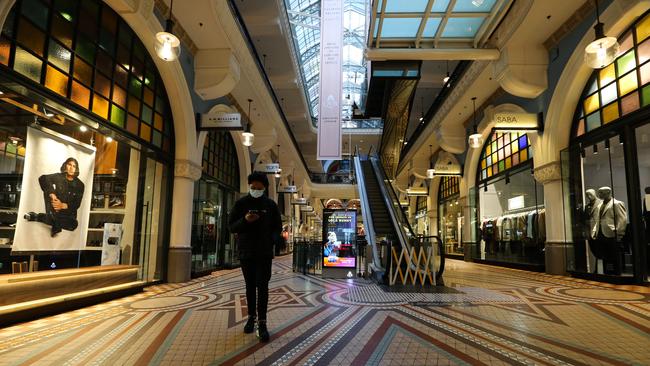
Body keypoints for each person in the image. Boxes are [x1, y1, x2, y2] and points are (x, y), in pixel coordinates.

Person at [228, 172, 281, 342]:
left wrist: (271, 240)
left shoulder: (271, 205)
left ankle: (262, 322)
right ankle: (251, 317)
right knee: (250, 285)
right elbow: (231, 226)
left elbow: (277, 228)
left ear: (264, 188)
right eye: (253, 188)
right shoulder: (241, 203)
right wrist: (245, 220)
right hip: (246, 252)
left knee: (262, 286)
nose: (256, 190)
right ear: (249, 186)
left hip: (264, 253)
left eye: (259, 188)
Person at [24, 157, 84, 237]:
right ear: (65, 166)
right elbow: (43, 178)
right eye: (69, 165)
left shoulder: (80, 185)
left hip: (67, 215)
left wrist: (62, 205)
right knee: (48, 191)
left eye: (74, 166)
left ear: (76, 169)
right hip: (54, 210)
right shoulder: (59, 176)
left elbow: (77, 204)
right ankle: (54, 220)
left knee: (74, 224)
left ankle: (38, 217)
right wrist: (52, 194)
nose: (71, 168)